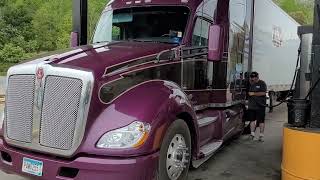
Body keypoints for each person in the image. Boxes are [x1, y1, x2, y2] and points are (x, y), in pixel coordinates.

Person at [247, 72, 267, 141]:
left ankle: (261, 136)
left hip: (260, 106)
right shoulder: (251, 84)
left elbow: (263, 93)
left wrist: (254, 93)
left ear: (257, 77)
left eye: (255, 77)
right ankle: (252, 134)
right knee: (252, 120)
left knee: (261, 121)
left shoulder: (262, 83)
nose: (253, 79)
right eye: (252, 77)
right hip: (252, 106)